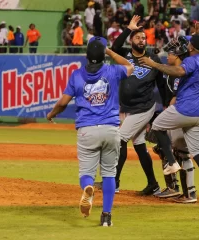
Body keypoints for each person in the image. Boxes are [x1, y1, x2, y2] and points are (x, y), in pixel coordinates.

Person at [46, 36, 134, 226]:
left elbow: (62, 103)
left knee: (86, 173)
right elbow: (130, 66)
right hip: (111, 128)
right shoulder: (113, 70)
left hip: (87, 130)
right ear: (103, 55)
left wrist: (51, 114)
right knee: (109, 174)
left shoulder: (76, 75)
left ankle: (87, 188)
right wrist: (110, 51)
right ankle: (106, 217)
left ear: (86, 56)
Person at [139, 34, 199, 204]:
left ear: (191, 48)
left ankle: (171, 163)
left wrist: (154, 64)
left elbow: (179, 71)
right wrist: (194, 35)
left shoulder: (190, 61)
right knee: (197, 151)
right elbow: (193, 43)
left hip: (186, 109)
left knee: (156, 126)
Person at [95, 15, 165, 195]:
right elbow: (115, 47)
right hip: (128, 107)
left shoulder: (153, 59)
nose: (142, 40)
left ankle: (114, 182)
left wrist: (166, 107)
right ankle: (153, 185)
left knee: (119, 140)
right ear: (132, 40)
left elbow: (162, 85)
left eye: (144, 38)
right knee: (140, 144)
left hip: (144, 107)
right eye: (138, 37)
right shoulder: (125, 53)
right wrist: (129, 28)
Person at [151, 36, 197, 203]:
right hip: (180, 114)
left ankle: (185, 192)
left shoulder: (180, 72)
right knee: (170, 150)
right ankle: (180, 189)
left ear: (177, 56)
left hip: (179, 114)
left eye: (170, 54)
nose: (167, 56)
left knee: (181, 153)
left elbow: (176, 97)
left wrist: (168, 114)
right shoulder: (178, 71)